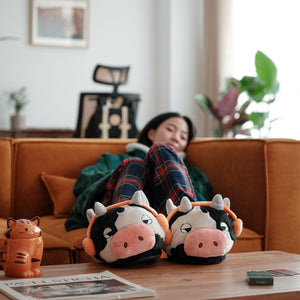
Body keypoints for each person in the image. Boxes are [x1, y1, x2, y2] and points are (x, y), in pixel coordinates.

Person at [65, 112, 212, 231]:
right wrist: (127, 173)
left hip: (171, 219)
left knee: (162, 151)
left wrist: (166, 171)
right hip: (114, 215)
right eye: (170, 129)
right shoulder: (115, 160)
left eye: (183, 137)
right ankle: (126, 224)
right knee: (135, 165)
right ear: (151, 134)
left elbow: (205, 200)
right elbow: (83, 183)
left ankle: (189, 221)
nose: (176, 138)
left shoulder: (193, 173)